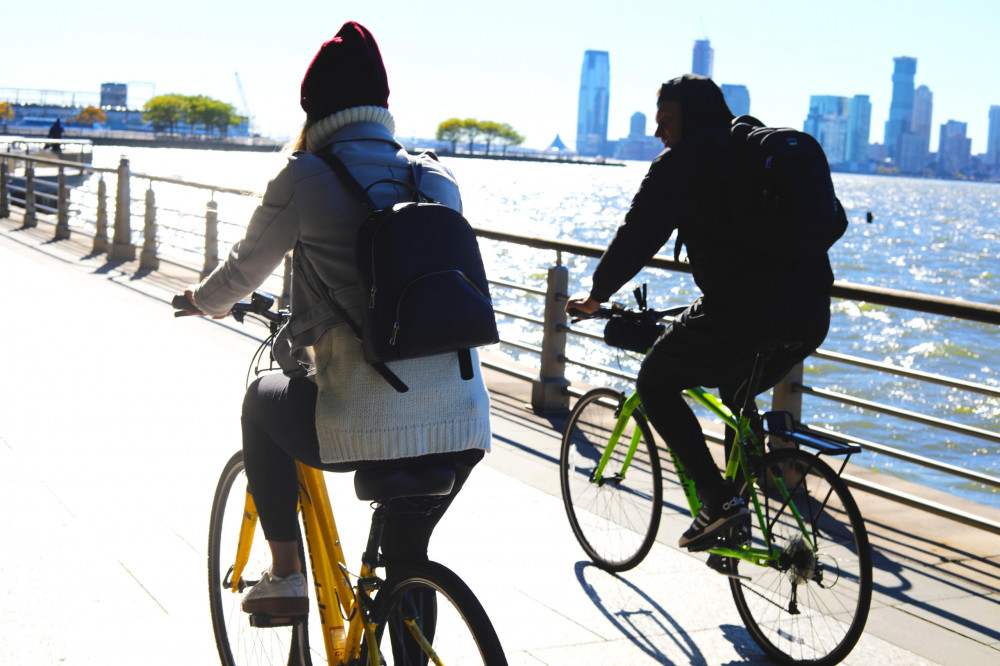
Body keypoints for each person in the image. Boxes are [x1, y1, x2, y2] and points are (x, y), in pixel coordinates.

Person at [178, 21, 491, 615]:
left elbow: (243, 273)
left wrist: (202, 300)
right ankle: (405, 606)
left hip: (364, 416)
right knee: (406, 560)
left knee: (259, 401)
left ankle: (286, 572)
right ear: (383, 105)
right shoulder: (435, 175)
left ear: (312, 106)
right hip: (465, 422)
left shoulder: (304, 175)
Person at [566, 74, 836, 552]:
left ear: (688, 118)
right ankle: (739, 518)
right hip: (811, 311)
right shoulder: (758, 151)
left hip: (743, 313)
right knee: (736, 389)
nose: (657, 132)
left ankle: (718, 501)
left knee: (655, 382)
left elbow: (638, 235)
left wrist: (595, 295)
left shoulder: (685, 160)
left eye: (665, 120)